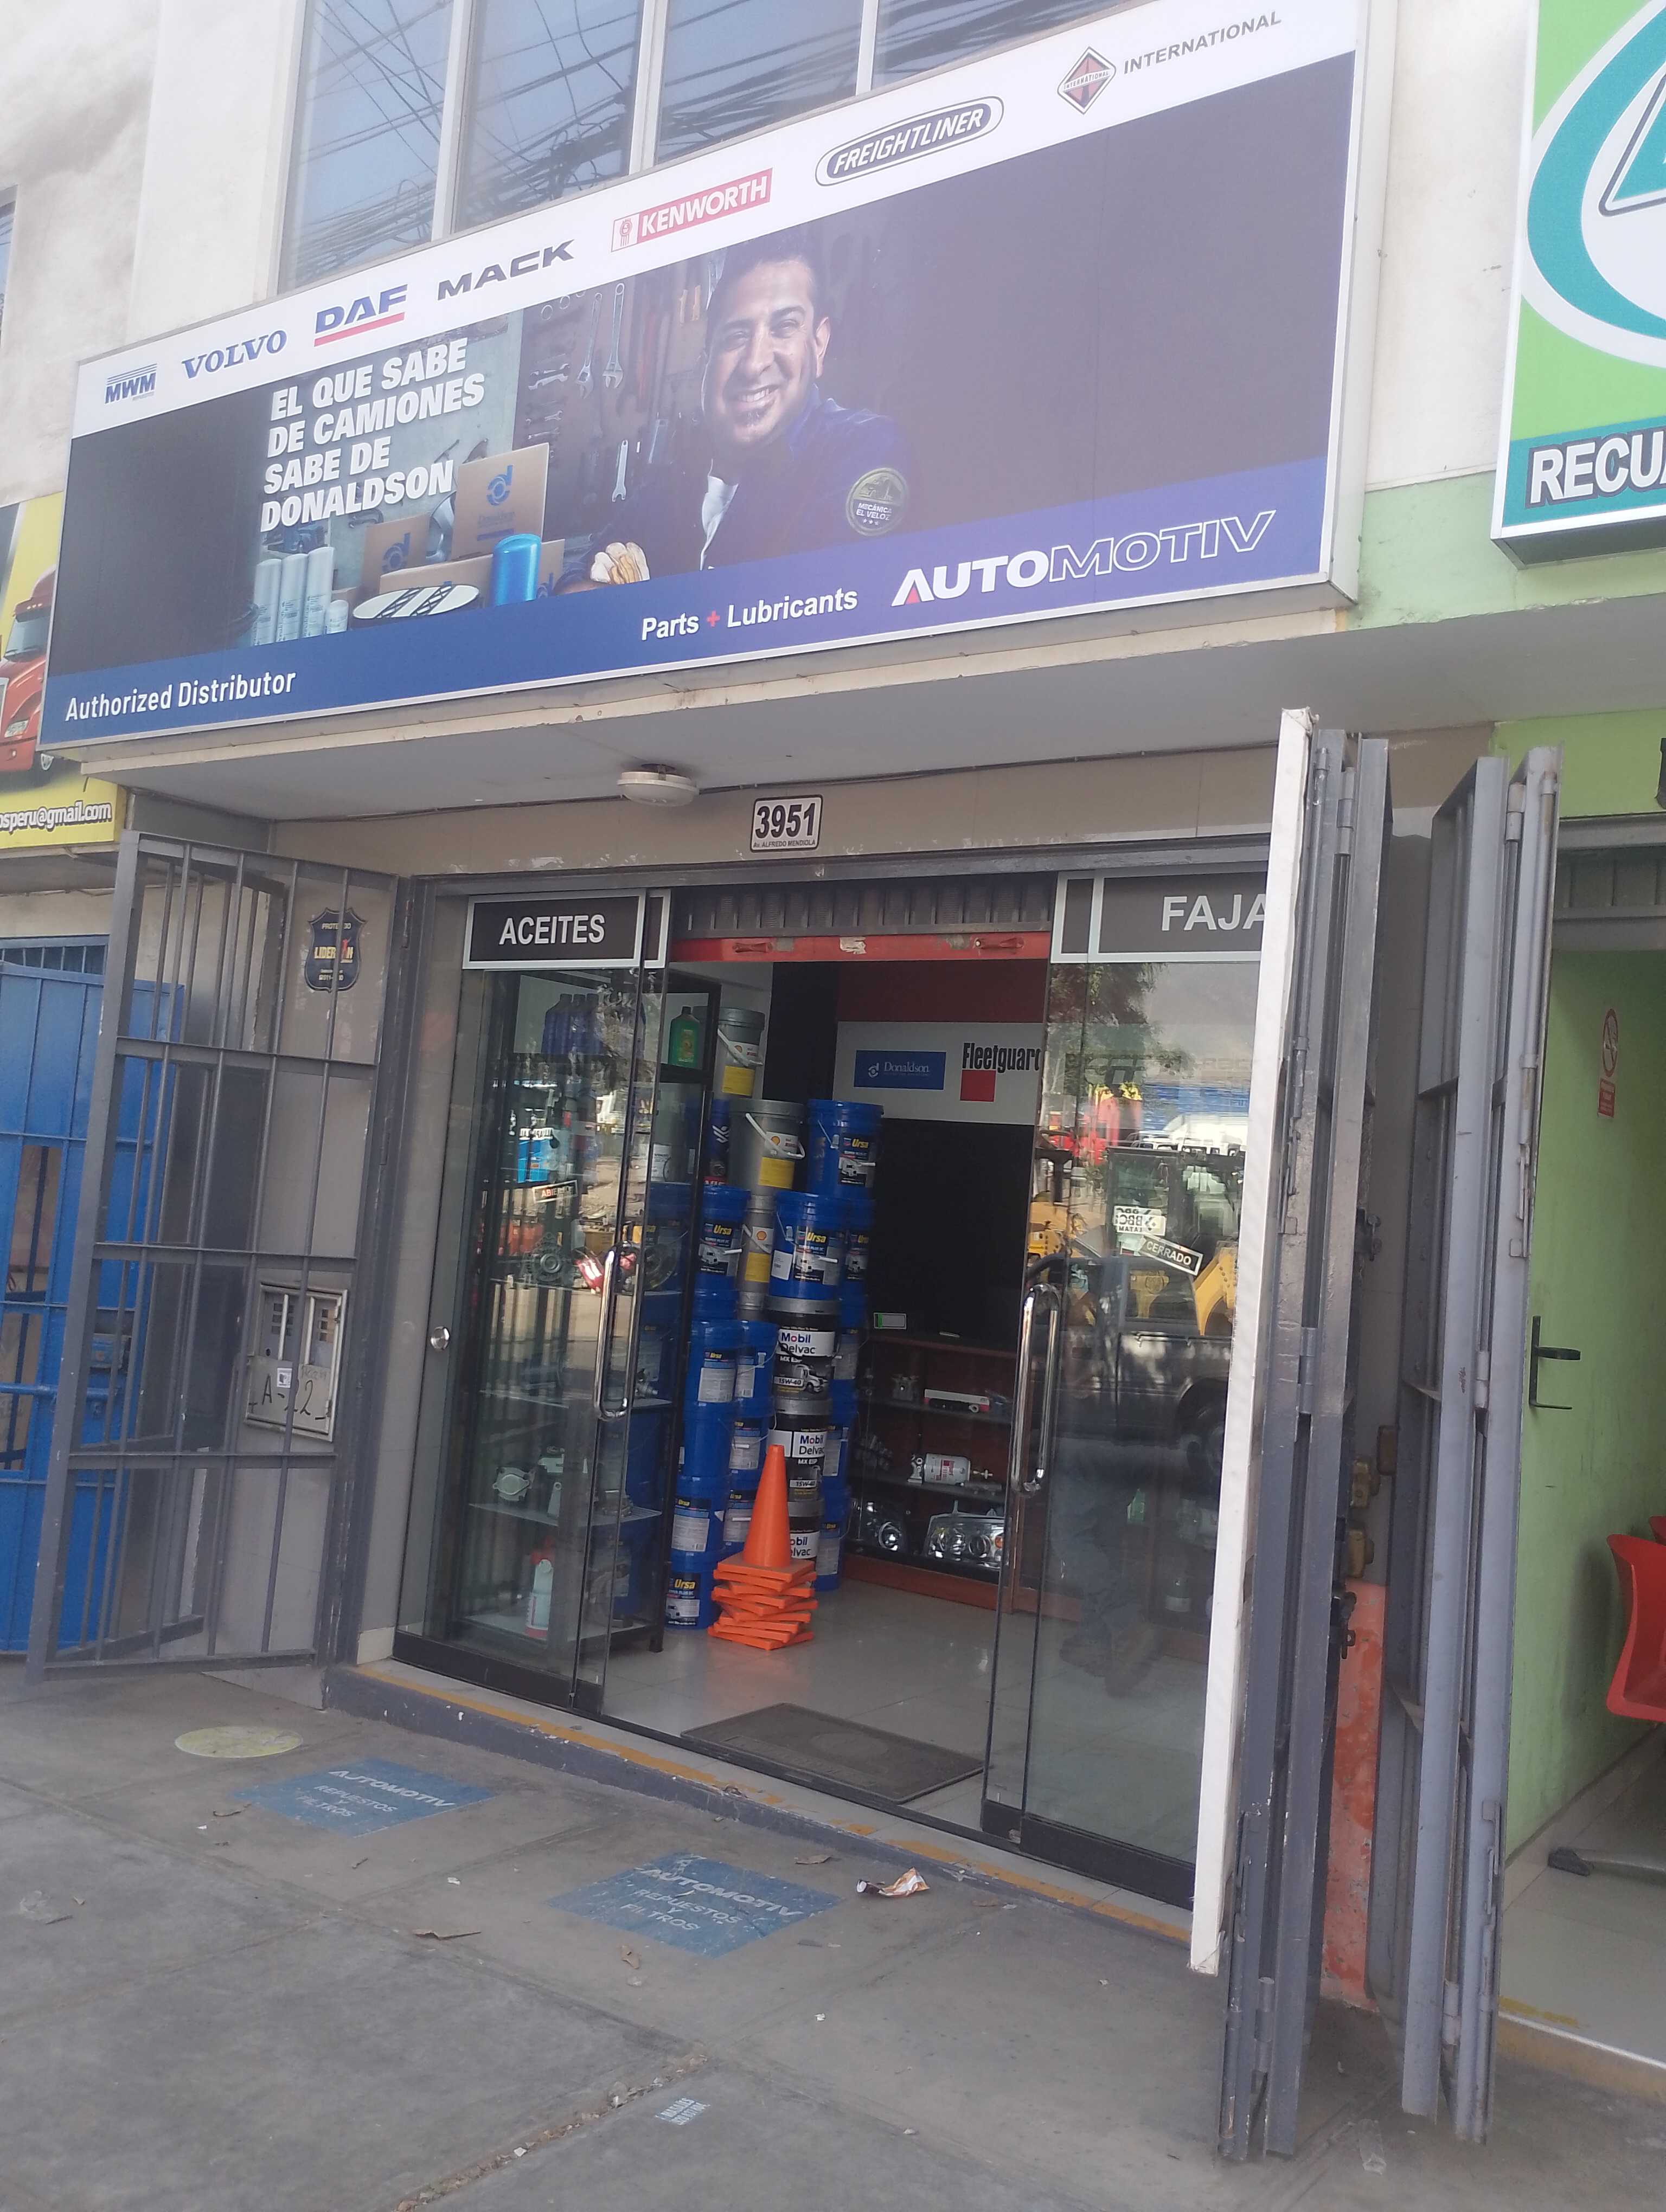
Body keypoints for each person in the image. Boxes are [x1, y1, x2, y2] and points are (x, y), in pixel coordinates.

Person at [582, 227, 912, 586]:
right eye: (737, 336)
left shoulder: (865, 448)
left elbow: (830, 598)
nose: (754, 364)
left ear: (819, 345)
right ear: (706, 362)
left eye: (784, 327)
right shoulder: (667, 491)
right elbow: (571, 592)